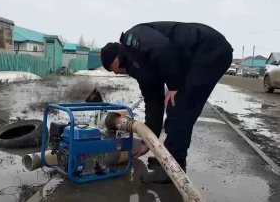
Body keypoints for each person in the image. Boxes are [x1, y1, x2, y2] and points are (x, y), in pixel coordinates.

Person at [100, 21, 233, 184]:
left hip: (208, 49)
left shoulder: (132, 38)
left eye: (112, 69)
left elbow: (161, 47)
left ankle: (174, 167)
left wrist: (174, 84)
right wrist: (147, 142)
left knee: (181, 108)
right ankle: (168, 157)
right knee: (174, 105)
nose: (116, 73)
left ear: (114, 60)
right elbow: (153, 103)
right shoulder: (138, 69)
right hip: (194, 58)